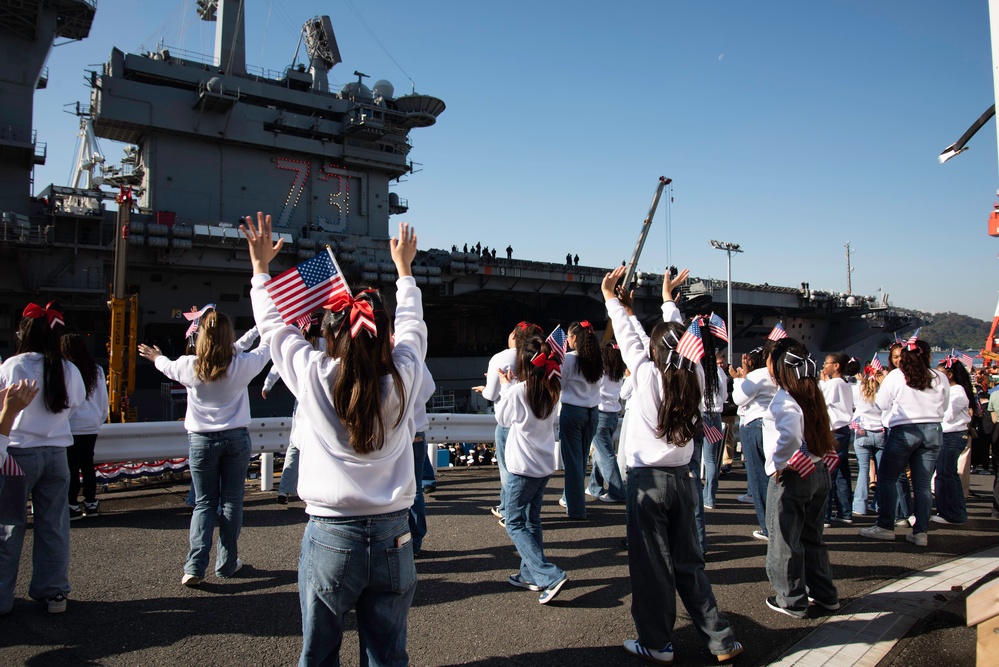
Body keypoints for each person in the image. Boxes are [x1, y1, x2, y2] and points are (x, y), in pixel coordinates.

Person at [243, 213, 425, 667]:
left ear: (330, 335)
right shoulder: (404, 378)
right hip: (395, 536)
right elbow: (413, 329)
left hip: (331, 535)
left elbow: (274, 329)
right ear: (384, 335)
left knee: (319, 654)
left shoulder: (314, 376)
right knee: (387, 655)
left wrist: (260, 270)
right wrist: (404, 272)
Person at [603, 265, 743, 665]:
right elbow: (672, 339)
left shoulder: (647, 375)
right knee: (689, 563)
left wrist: (614, 300)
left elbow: (631, 340)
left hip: (648, 482)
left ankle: (657, 642)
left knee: (651, 567)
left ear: (655, 351)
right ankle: (721, 639)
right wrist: (667, 303)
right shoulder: (697, 374)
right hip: (684, 480)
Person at [139, 309, 271, 586]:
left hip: (201, 441)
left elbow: (165, 365)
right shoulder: (242, 365)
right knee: (232, 502)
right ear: (228, 337)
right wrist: (270, 323)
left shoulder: (189, 365)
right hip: (235, 438)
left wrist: (155, 356)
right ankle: (226, 563)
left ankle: (194, 566)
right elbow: (268, 348)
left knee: (204, 503)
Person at [0, 303, 86, 615]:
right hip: (57, 456)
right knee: (54, 526)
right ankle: (54, 593)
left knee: (9, 526)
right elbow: (75, 406)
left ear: (23, 332)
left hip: (16, 455)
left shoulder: (12, 367)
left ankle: (2, 598)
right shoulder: (69, 369)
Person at [762, 337, 840, 619]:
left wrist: (781, 461)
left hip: (794, 475)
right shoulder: (812, 393)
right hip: (818, 470)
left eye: (770, 361)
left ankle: (792, 599)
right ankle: (825, 594)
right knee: (812, 538)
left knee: (784, 540)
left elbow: (792, 435)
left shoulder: (784, 398)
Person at [496, 336, 567, 604]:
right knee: (531, 520)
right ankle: (530, 574)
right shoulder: (552, 388)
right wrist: (513, 386)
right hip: (543, 466)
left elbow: (502, 418)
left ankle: (548, 574)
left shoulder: (518, 392)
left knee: (513, 521)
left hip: (521, 467)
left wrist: (506, 387)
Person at [859, 338, 947, 547]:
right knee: (923, 485)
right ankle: (920, 533)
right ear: (927, 355)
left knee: (888, 478)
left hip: (904, 430)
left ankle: (885, 526)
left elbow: (881, 403)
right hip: (933, 429)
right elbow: (945, 403)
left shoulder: (897, 376)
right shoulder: (939, 377)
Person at [731, 345, 777, 540]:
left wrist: (738, 380)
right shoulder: (785, 374)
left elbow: (738, 398)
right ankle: (780, 523)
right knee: (775, 476)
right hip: (775, 424)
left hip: (754, 424)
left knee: (759, 479)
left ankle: (768, 528)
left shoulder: (758, 375)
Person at [60, 334, 109, 520]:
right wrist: (100, 419)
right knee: (88, 465)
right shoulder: (96, 369)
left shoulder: (65, 369)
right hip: (92, 424)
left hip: (71, 424)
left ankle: (72, 504)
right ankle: (91, 503)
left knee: (71, 467)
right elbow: (103, 398)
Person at [559, 320, 603, 519]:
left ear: (575, 338)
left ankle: (577, 509)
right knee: (582, 459)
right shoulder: (597, 358)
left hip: (573, 412)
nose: (567, 340)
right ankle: (570, 498)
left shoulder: (569, 359)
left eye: (568, 336)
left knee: (573, 463)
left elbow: (559, 383)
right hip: (592, 413)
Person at [932, 357, 974, 525]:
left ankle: (951, 513)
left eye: (940, 374)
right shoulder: (954, 391)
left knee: (945, 475)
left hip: (952, 435)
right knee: (947, 474)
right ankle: (953, 512)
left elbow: (948, 416)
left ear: (949, 375)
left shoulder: (956, 392)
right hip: (950, 435)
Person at [587, 341, 626, 503]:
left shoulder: (601, 371)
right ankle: (594, 486)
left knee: (606, 454)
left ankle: (617, 492)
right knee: (601, 452)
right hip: (613, 415)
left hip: (600, 413)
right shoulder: (617, 373)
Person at [820, 352, 854, 525]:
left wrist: (822, 382)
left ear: (837, 366)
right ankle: (845, 511)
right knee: (842, 472)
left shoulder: (833, 384)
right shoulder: (846, 383)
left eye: (827, 363)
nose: (824, 366)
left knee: (828, 473)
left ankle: (824, 515)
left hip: (833, 431)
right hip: (844, 430)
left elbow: (819, 401)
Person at [852, 366, 886, 516]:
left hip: (862, 433)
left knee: (863, 470)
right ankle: (879, 504)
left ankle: (859, 505)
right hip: (880, 433)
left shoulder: (860, 393)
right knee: (882, 472)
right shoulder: (883, 395)